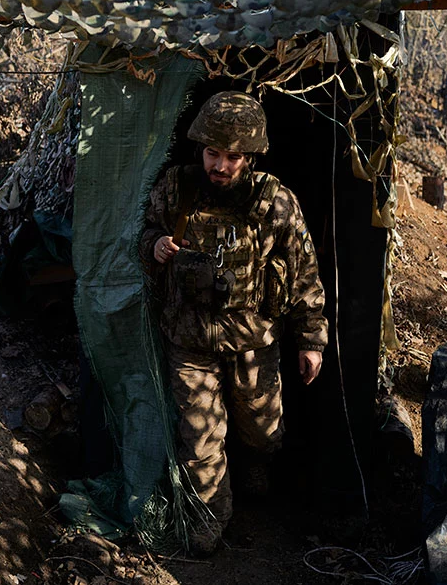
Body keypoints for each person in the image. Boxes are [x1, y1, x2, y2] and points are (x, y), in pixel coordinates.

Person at [140, 91, 328, 555]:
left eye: (232, 156)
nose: (220, 166)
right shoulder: (175, 188)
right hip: (188, 340)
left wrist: (311, 340)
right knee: (199, 440)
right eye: (212, 153)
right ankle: (210, 519)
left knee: (263, 431)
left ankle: (255, 463)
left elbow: (303, 270)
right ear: (199, 148)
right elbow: (143, 233)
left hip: (253, 341)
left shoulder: (275, 201)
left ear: (251, 157)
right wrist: (156, 245)